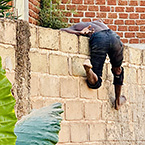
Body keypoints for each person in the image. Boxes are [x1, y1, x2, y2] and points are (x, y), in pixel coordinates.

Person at [61, 20, 126, 110]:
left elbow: (62, 30)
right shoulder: (100, 23)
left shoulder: (80, 25)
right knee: (118, 70)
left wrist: (79, 32)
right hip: (114, 37)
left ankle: (89, 70)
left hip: (100, 38)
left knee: (97, 80)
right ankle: (118, 101)